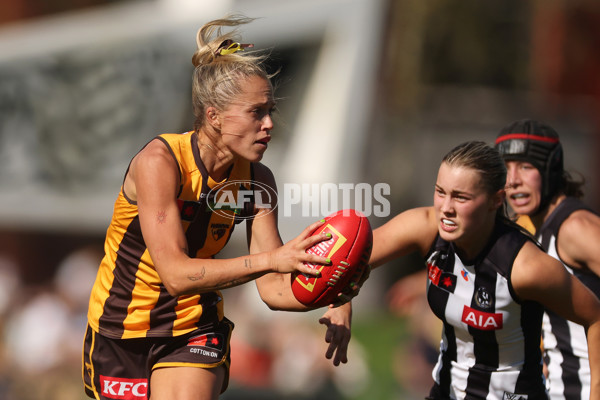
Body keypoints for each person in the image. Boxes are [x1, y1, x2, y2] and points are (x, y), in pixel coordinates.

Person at [82, 16, 358, 400]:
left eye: (271, 111)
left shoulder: (256, 182)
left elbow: (274, 289)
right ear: (213, 115)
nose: (269, 125)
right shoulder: (160, 164)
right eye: (256, 112)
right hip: (119, 333)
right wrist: (273, 259)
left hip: (194, 330)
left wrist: (338, 292)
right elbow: (176, 274)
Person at [369, 141, 600, 399]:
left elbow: (595, 317)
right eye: (440, 192)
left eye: (461, 197)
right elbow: (354, 258)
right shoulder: (426, 229)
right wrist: (341, 305)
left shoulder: (526, 267)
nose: (446, 208)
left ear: (495, 200)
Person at [496, 119, 600, 400]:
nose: (512, 179)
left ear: (551, 170)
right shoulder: (537, 229)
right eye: (505, 168)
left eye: (526, 167)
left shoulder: (574, 227)